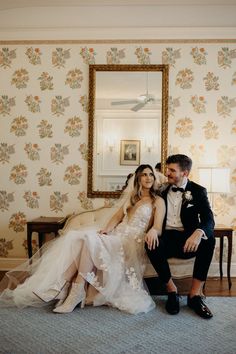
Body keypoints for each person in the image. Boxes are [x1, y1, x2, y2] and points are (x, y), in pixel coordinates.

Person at [0, 164, 165, 315]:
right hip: (116, 236)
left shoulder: (157, 201)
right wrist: (105, 230)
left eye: (151, 174)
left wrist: (153, 231)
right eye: (144, 174)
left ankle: (66, 289)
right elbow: (116, 218)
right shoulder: (132, 199)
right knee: (80, 238)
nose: (148, 177)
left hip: (132, 242)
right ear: (138, 178)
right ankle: (71, 290)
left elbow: (157, 225)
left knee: (86, 239)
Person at [146, 154, 215, 319]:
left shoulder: (198, 191)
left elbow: (208, 219)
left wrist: (198, 232)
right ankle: (172, 291)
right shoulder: (161, 189)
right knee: (150, 243)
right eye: (167, 169)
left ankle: (194, 296)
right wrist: (153, 229)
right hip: (167, 237)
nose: (167, 173)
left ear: (185, 173)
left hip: (187, 239)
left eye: (172, 170)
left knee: (209, 240)